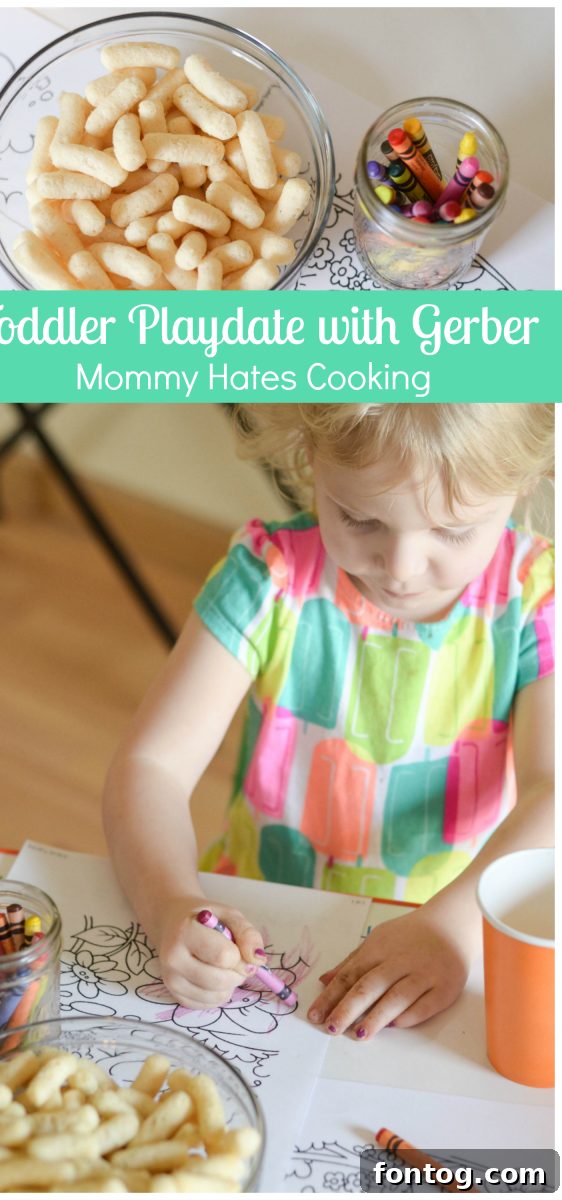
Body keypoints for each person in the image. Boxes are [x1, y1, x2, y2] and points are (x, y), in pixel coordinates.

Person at [103, 403, 555, 1041]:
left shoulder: (536, 597)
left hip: (452, 937)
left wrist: (449, 928)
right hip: (258, 928)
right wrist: (170, 902)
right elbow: (150, 766)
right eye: (360, 517)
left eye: (453, 531)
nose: (400, 566)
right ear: (310, 457)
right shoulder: (268, 577)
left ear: (525, 481)